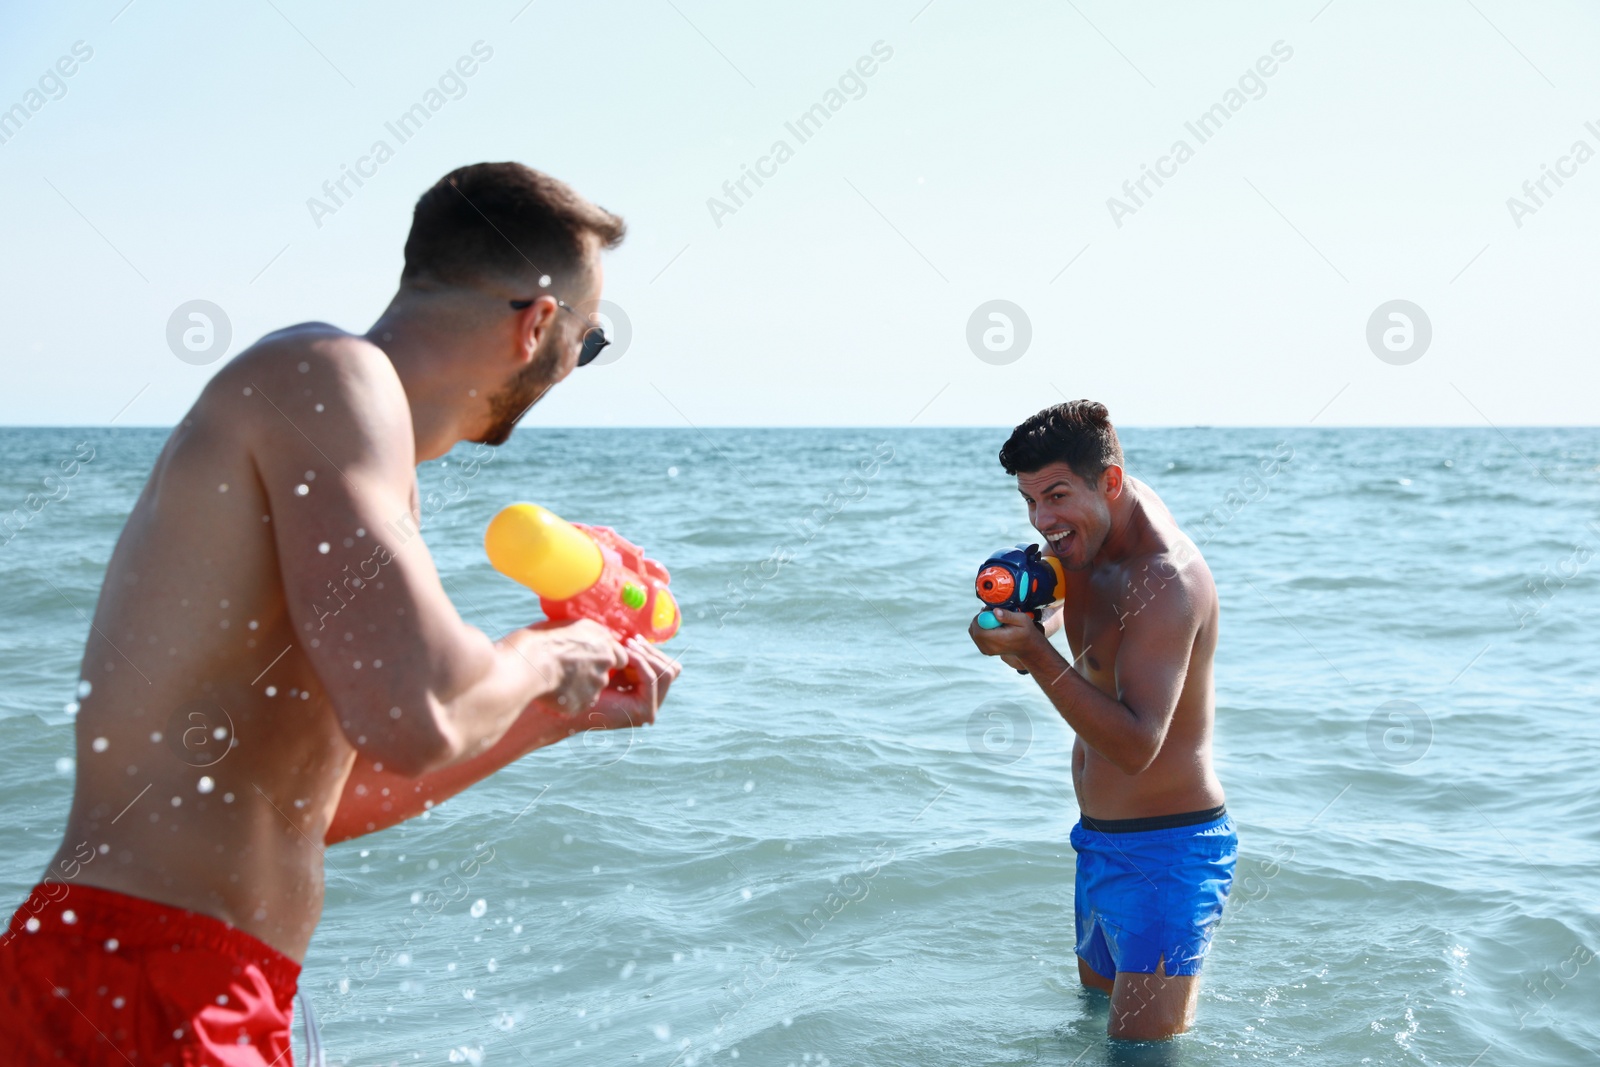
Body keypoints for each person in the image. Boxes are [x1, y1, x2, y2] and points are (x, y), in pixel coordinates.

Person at [0, 162, 680, 1063]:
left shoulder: (349, 434)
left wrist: (543, 717)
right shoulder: (331, 377)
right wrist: (550, 655)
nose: (571, 367)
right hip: (151, 982)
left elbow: (312, 803)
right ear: (538, 324)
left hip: (186, 975)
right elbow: (422, 712)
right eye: (587, 344)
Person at [968, 400, 1235, 1040]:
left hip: (1167, 857)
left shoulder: (1165, 581)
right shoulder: (1092, 532)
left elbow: (1138, 744)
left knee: (1138, 1059)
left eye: (1056, 495)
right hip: (1096, 844)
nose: (1043, 519)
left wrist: (1034, 654)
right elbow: (1073, 608)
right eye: (1030, 500)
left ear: (1108, 482)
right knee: (1093, 1029)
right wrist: (1021, 621)